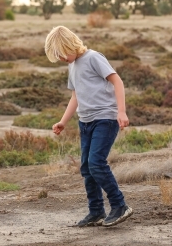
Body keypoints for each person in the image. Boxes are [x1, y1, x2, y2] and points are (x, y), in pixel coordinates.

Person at [45, 25, 133, 228]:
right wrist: (63, 121)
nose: (61, 59)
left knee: (96, 163)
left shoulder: (93, 57)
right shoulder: (72, 65)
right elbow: (75, 96)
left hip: (105, 119)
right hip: (85, 122)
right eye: (57, 57)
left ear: (71, 44)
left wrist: (121, 111)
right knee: (86, 168)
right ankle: (96, 212)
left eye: (62, 54)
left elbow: (117, 81)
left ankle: (120, 205)